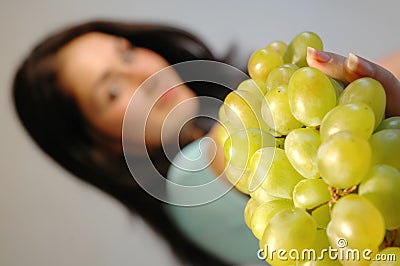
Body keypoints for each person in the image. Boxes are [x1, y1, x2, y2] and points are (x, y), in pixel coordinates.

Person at [12, 19, 400, 266]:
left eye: (127, 53)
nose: (142, 77)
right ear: (99, 144)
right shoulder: (189, 183)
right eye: (111, 90)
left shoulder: (260, 114)